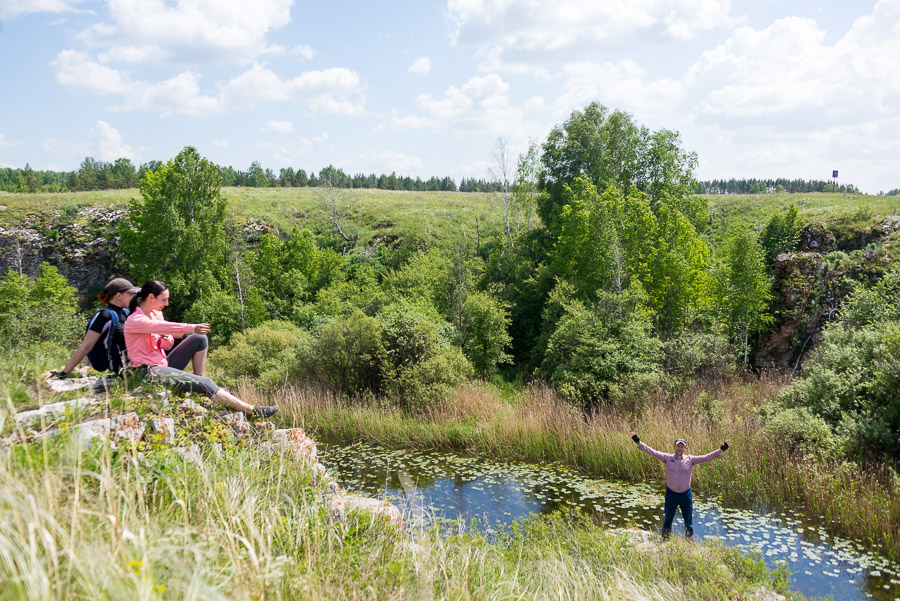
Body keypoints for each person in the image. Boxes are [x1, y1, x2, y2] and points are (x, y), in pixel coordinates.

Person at [124, 279, 277, 417]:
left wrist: (165, 337)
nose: (166, 303)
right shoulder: (135, 319)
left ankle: (201, 389)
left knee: (200, 338)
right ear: (151, 297)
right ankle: (252, 411)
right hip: (146, 371)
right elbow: (164, 327)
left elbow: (168, 344)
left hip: (161, 365)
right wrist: (190, 327)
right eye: (164, 299)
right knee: (207, 382)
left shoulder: (157, 314)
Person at [629, 431, 730, 539]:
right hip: (671, 494)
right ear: (674, 447)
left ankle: (689, 542)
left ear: (685, 448)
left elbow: (707, 457)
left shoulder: (690, 459)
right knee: (667, 520)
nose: (679, 449)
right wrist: (639, 442)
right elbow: (652, 451)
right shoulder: (667, 458)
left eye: (682, 446)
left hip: (685, 495)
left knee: (688, 522)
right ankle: (665, 540)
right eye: (678, 446)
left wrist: (721, 450)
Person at [51, 277, 140, 378]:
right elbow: (86, 346)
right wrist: (64, 372)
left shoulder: (126, 313)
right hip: (122, 370)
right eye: (130, 294)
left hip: (137, 363)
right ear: (119, 295)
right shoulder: (104, 316)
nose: (133, 297)